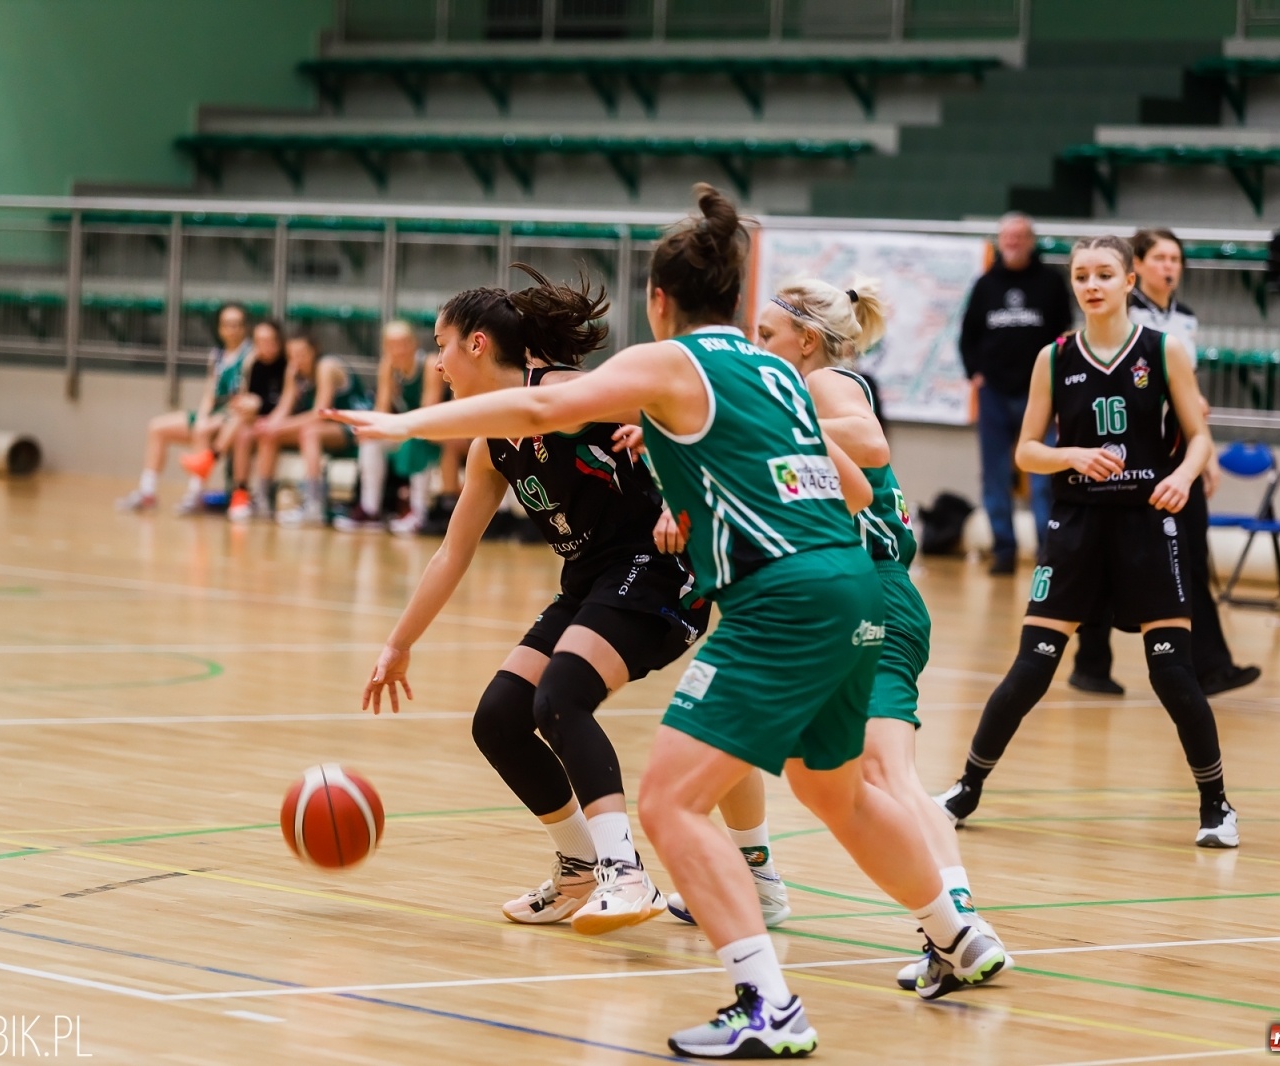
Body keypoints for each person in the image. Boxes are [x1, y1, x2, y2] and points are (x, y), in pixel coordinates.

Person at [333, 185, 1005, 1059]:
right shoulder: (779, 376)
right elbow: (850, 484)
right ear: (735, 297)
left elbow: (539, 409)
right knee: (831, 790)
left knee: (669, 800)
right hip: (860, 585)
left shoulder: (673, 367)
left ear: (659, 301)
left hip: (783, 600)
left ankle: (767, 1004)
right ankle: (956, 936)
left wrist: (405, 422)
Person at [326, 264, 708, 936]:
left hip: (659, 570)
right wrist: (399, 642)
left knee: (559, 696)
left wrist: (680, 496)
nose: (434, 360)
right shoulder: (490, 446)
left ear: (476, 344)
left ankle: (626, 873)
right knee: (500, 716)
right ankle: (580, 869)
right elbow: (453, 551)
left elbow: (687, 418)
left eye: (440, 344)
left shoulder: (564, 392)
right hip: (591, 580)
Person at [658, 274, 1011, 997]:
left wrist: (771, 419)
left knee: (883, 776)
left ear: (805, 342)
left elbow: (870, 441)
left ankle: (961, 926)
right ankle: (752, 878)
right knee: (821, 778)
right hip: (851, 592)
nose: (756, 348)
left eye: (767, 336)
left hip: (871, 587)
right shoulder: (797, 392)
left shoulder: (825, 386)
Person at [936, 235, 1239, 850]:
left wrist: (1181, 477)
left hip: (1146, 524)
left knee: (1172, 674)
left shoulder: (1164, 350)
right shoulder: (1053, 357)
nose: (1092, 285)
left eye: (1104, 273)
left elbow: (1199, 437)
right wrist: (1070, 454)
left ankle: (1217, 806)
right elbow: (1026, 449)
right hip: (1074, 527)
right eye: (1081, 275)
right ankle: (966, 789)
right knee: (1030, 669)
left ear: (1130, 281)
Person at [1070, 228, 1262, 698]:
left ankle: (1210, 665)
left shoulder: (1186, 319)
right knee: (1104, 555)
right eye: (1160, 257)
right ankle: (1090, 661)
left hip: (1178, 453)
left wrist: (1206, 452)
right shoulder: (1120, 314)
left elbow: (1190, 396)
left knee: (1192, 554)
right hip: (1130, 451)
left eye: (1176, 258)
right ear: (1135, 269)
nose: (1170, 266)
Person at [959, 213, 1073, 574]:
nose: (1012, 242)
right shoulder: (984, 285)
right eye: (1006, 237)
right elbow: (967, 336)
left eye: (1019, 237)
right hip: (994, 394)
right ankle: (1003, 550)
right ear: (999, 241)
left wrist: (1058, 385)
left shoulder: (1051, 284)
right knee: (994, 477)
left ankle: (1047, 551)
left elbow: (1064, 338)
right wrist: (974, 373)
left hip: (1039, 395)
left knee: (1044, 479)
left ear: (1031, 241)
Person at [116, 302, 251, 514]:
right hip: (214, 414)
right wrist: (203, 415)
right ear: (219, 328)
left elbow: (244, 396)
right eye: (227, 324)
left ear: (244, 327)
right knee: (157, 427)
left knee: (201, 430)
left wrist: (207, 422)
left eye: (237, 324)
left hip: (234, 418)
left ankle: (194, 495)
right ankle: (147, 492)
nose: (232, 329)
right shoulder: (216, 356)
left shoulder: (250, 356)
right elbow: (209, 392)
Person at [226, 331, 370, 523]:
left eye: (302, 354)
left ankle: (313, 505)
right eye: (292, 355)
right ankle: (262, 500)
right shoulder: (293, 371)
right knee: (269, 435)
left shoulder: (326, 367)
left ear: (314, 351)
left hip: (354, 428)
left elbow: (321, 414)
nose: (297, 360)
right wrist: (268, 426)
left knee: (309, 432)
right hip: (323, 430)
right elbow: (284, 407)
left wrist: (279, 426)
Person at [332, 320, 448, 533]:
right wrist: (369, 429)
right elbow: (381, 410)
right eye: (392, 344)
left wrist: (400, 426)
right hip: (408, 429)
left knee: (419, 440)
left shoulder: (429, 364)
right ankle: (370, 510)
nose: (398, 349)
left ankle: (418, 513)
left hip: (437, 432)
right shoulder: (388, 366)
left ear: (414, 343)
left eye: (403, 343)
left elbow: (429, 411)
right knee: (371, 439)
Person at [177, 318, 289, 500]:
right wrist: (246, 402)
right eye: (259, 341)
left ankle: (213, 461)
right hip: (252, 418)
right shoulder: (255, 363)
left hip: (279, 420)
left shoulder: (287, 365)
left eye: (269, 341)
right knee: (231, 422)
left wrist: (258, 404)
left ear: (279, 341)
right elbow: (247, 394)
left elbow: (285, 402)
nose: (264, 346)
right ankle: (216, 488)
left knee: (242, 428)